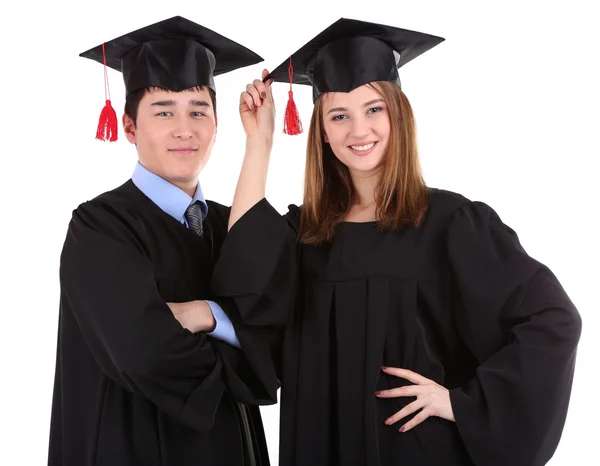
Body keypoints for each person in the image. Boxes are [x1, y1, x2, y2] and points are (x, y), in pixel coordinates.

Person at [210, 18, 583, 466]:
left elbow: (553, 319)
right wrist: (259, 142)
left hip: (417, 450)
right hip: (319, 446)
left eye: (373, 109)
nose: (358, 130)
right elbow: (247, 283)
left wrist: (463, 403)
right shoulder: (305, 235)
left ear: (398, 114)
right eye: (338, 115)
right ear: (323, 133)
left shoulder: (452, 223)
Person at [48, 16, 276, 466]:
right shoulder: (100, 227)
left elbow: (279, 340)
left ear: (216, 124)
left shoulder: (233, 226)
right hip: (129, 447)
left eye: (197, 110)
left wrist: (201, 314)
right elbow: (143, 353)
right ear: (129, 128)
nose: (184, 129)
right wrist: (235, 332)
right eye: (164, 111)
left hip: (234, 448)